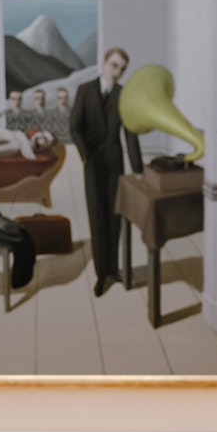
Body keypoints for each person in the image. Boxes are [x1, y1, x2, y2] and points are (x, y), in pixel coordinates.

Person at [70, 47, 143, 296]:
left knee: (115, 216)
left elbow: (131, 134)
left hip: (115, 165)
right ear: (103, 63)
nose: (117, 72)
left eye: (122, 69)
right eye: (114, 66)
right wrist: (85, 156)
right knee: (97, 216)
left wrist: (138, 171)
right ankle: (102, 274)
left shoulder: (124, 95)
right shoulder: (84, 90)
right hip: (93, 165)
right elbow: (74, 127)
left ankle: (113, 269)